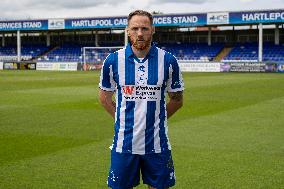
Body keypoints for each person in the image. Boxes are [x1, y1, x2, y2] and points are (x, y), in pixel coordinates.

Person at [99, 10, 184, 189]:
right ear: (127, 31)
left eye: (144, 28)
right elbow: (104, 98)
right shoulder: (113, 61)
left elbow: (177, 100)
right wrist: (121, 119)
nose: (140, 33)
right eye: (135, 28)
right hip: (124, 144)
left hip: (157, 145)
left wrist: (155, 120)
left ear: (152, 30)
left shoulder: (168, 61)